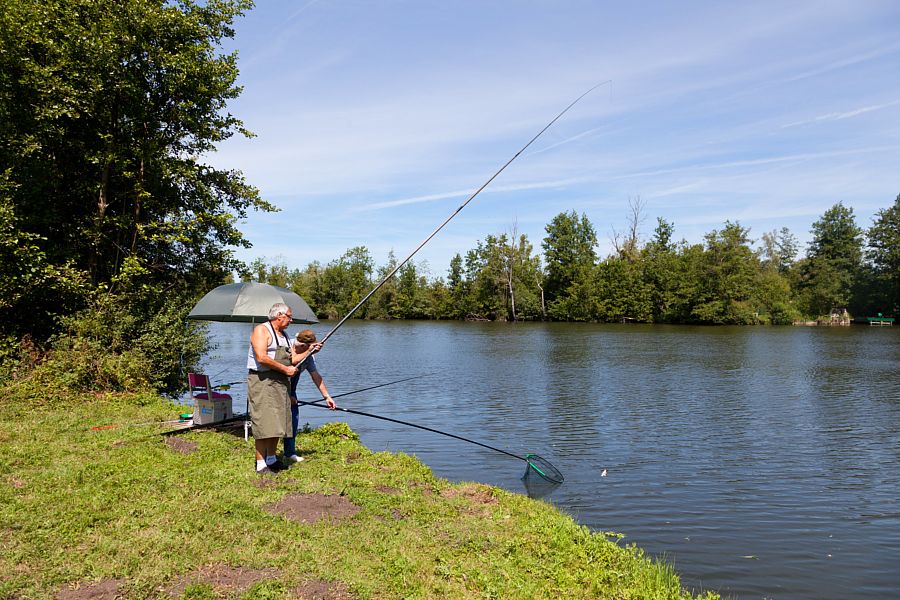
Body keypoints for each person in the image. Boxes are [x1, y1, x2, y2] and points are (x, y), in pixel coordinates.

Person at [247, 303, 298, 474]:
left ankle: (272, 459)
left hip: (280, 382)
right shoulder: (261, 330)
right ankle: (261, 464)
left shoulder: (283, 334)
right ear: (280, 315)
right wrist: (285, 369)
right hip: (262, 381)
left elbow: (293, 359)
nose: (291, 320)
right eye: (289, 316)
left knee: (277, 421)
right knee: (263, 421)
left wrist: (311, 350)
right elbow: (261, 357)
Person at [284, 329, 337, 462]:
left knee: (293, 420)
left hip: (292, 389)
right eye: (310, 347)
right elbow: (290, 364)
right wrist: (286, 396)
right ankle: (268, 455)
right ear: (302, 345)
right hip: (278, 385)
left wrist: (327, 397)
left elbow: (316, 377)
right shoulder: (286, 347)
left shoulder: (309, 357)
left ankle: (289, 453)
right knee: (275, 422)